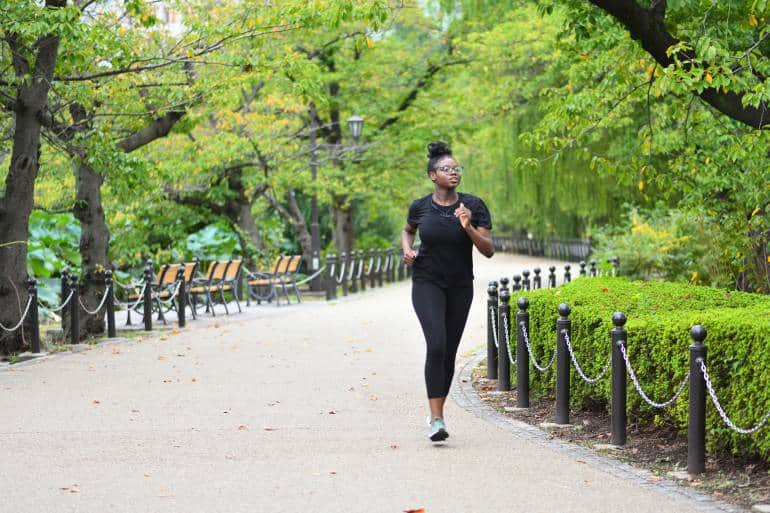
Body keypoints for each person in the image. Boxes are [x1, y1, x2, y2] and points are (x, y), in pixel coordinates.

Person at [401, 141, 494, 442]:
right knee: (437, 345)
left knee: (449, 352)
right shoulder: (420, 206)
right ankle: (437, 419)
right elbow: (408, 230)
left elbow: (489, 250)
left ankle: (436, 415)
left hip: (459, 285)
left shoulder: (474, 205)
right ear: (432, 175)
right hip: (427, 281)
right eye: (446, 169)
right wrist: (407, 250)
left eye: (456, 169)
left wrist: (467, 226)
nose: (453, 172)